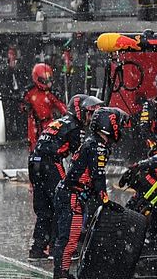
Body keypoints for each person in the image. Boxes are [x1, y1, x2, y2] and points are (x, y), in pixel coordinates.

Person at [49, 107, 130, 279]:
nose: (120, 128)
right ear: (109, 124)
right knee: (68, 237)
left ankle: (63, 274)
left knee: (71, 236)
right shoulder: (97, 146)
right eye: (117, 123)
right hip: (71, 195)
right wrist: (105, 200)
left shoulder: (92, 143)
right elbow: (98, 177)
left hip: (71, 194)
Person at [27, 94, 102, 260]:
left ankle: (37, 249)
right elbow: (79, 158)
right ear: (80, 111)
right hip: (50, 164)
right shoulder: (76, 128)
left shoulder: (59, 121)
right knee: (63, 205)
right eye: (89, 113)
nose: (91, 118)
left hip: (34, 163)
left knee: (44, 210)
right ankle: (56, 249)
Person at [23, 63, 66, 150]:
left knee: (49, 146)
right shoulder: (30, 92)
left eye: (48, 80)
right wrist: (26, 107)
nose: (47, 83)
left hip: (48, 122)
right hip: (33, 123)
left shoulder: (51, 93)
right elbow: (22, 105)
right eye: (44, 80)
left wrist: (67, 115)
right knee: (33, 147)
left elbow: (61, 106)